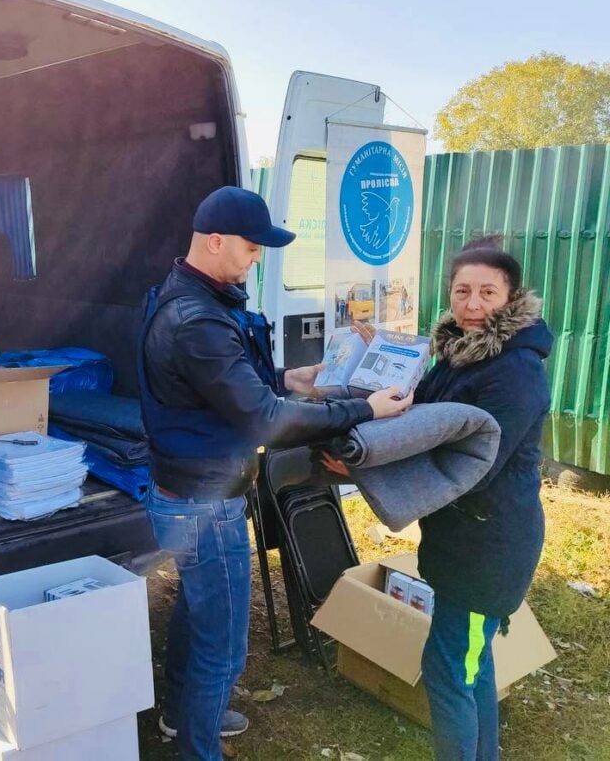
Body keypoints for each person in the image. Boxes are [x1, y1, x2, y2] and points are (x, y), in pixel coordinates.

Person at [139, 186, 411, 761]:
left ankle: (178, 715)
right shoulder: (196, 320)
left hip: (185, 492)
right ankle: (197, 747)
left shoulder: (192, 298)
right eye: (250, 246)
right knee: (227, 646)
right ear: (215, 242)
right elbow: (262, 421)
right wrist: (366, 408)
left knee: (198, 607)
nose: (257, 257)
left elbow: (223, 385)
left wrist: (291, 378)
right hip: (205, 503)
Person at [327, 237, 552, 761]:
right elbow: (415, 409)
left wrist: (368, 463)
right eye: (462, 291)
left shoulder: (515, 372)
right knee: (472, 665)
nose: (473, 305)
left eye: (488, 293)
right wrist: (374, 363)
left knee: (450, 671)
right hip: (460, 538)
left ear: (512, 297)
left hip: (489, 546)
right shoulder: (459, 354)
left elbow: (470, 462)